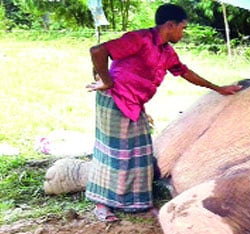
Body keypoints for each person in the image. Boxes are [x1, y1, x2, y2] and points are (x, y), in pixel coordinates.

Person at [85, 3, 242, 222]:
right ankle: (103, 204)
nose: (183, 33)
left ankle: (139, 203)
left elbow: (185, 72)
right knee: (114, 152)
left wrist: (218, 88)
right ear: (170, 25)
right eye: (182, 28)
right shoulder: (139, 39)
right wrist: (106, 80)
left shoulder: (166, 52)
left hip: (134, 103)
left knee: (141, 152)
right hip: (115, 99)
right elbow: (98, 50)